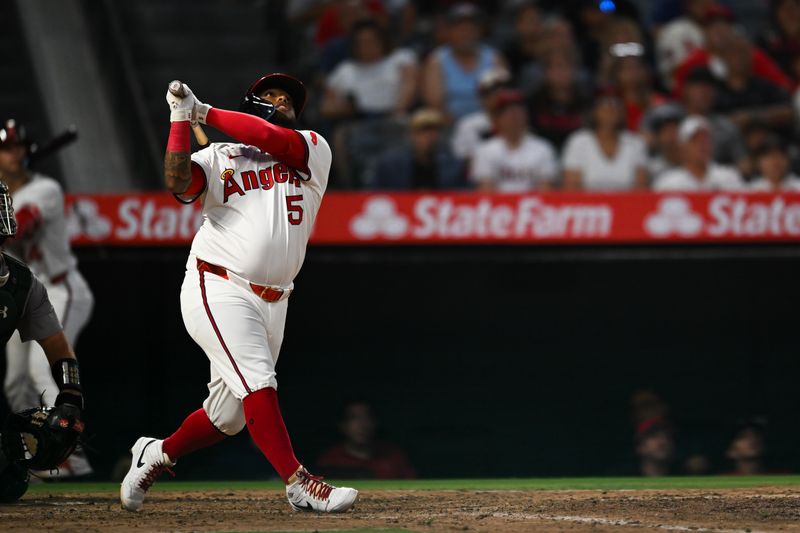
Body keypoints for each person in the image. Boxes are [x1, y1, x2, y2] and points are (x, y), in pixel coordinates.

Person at [119, 74, 358, 513]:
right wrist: (179, 119)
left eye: (288, 99)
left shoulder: (312, 148)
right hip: (218, 283)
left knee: (227, 417)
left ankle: (157, 452)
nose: (281, 101)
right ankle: (299, 482)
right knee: (259, 381)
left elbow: (269, 136)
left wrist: (203, 112)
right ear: (251, 102)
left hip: (276, 299)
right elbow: (179, 183)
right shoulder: (218, 154)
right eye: (271, 95)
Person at [0, 119, 94, 478]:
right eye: (6, 149)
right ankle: (32, 457)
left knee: (43, 368)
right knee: (15, 382)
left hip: (57, 286)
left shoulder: (45, 190)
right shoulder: (6, 191)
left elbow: (19, 226)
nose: (14, 155)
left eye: (18, 148)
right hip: (17, 290)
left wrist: (9, 194)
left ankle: (71, 460)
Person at [422, 3, 505, 122]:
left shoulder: (494, 58)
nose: (466, 33)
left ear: (480, 31)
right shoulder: (436, 61)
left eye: (471, 29)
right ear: (450, 31)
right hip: (449, 127)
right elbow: (435, 105)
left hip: (488, 124)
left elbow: (501, 100)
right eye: (460, 29)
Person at [561, 87, 649, 191]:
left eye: (616, 105)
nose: (611, 110)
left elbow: (641, 189)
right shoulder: (579, 142)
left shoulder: (635, 143)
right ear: (595, 111)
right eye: (605, 105)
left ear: (622, 113)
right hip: (589, 205)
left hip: (627, 205)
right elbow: (571, 189)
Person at [470, 89, 558, 192]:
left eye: (518, 110)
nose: (514, 115)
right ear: (497, 118)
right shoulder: (485, 150)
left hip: (533, 206)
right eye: (507, 111)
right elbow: (486, 191)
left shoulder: (543, 148)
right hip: (499, 206)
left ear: (526, 115)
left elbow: (545, 191)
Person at [316, 400, 416, 479]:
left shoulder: (394, 455)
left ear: (375, 422)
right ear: (342, 426)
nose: (362, 425)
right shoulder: (329, 460)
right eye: (354, 418)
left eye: (367, 417)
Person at [370, 108, 464, 189]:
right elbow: (374, 195)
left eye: (433, 131)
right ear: (411, 135)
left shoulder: (453, 166)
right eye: (422, 131)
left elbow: (461, 195)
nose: (428, 136)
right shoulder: (390, 165)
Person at [654, 115, 745, 191]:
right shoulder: (668, 184)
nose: (703, 145)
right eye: (695, 140)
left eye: (706, 139)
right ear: (682, 147)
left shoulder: (729, 177)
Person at [450, 67, 511, 162]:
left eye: (505, 90)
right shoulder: (469, 125)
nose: (500, 95)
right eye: (493, 91)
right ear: (482, 98)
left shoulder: (519, 122)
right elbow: (465, 158)